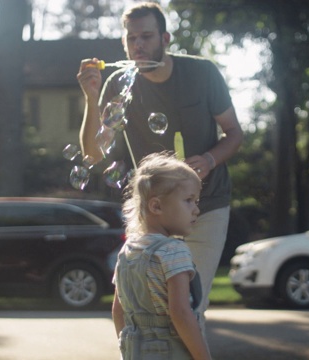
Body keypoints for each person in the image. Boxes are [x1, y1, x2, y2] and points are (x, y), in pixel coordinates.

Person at [77, 2, 243, 329]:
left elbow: (235, 133)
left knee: (189, 305)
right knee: (134, 302)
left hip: (205, 204)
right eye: (132, 38)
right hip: (152, 209)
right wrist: (89, 96)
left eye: (147, 37)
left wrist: (209, 159)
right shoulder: (117, 85)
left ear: (165, 39)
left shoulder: (202, 73)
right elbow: (94, 154)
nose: (138, 45)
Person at [112, 152, 211, 359]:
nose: (196, 210)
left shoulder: (127, 250)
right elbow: (181, 313)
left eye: (196, 201)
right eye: (189, 200)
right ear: (156, 206)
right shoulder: (174, 250)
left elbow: (118, 311)